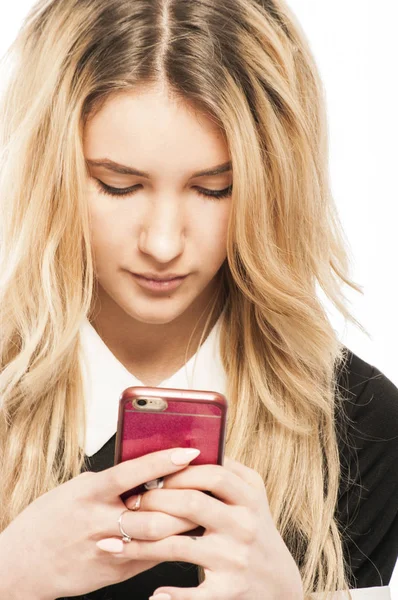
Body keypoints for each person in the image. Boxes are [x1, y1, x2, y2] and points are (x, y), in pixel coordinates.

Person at [0, 0, 396, 599]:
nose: (162, 243)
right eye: (119, 184)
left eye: (215, 189)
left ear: (273, 186)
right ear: (48, 170)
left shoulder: (362, 430)